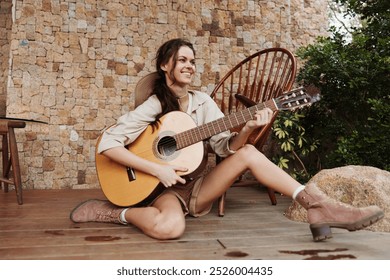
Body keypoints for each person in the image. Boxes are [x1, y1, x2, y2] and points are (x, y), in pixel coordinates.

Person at [70, 38, 384, 242]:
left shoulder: (203, 102)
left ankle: (316, 205)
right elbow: (107, 144)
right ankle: (112, 213)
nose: (190, 65)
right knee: (170, 228)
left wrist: (246, 127)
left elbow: (225, 148)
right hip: (156, 189)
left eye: (192, 61)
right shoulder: (153, 105)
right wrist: (156, 170)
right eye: (182, 60)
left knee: (247, 151)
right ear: (165, 65)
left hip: (194, 188)